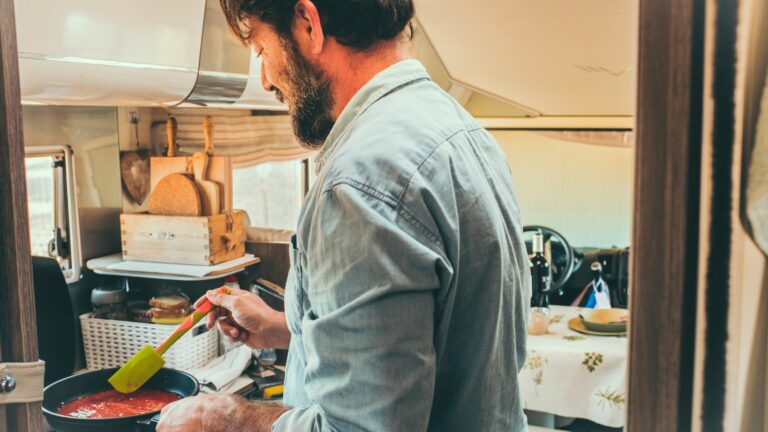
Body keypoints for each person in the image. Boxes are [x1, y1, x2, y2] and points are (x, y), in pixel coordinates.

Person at [157, 0, 531, 430]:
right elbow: (438, 340)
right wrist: (282, 328)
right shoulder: (461, 130)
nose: (264, 80)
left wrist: (229, 418)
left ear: (308, 24)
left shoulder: (359, 183)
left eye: (261, 50)